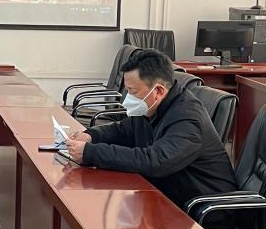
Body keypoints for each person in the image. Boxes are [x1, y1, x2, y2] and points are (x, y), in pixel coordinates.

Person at [64, 49, 237, 208]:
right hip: (168, 197)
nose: (128, 99)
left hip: (204, 213)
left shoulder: (188, 118)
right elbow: (123, 130)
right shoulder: (151, 107)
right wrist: (91, 136)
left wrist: (91, 153)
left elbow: (156, 161)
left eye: (133, 92)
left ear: (158, 91)